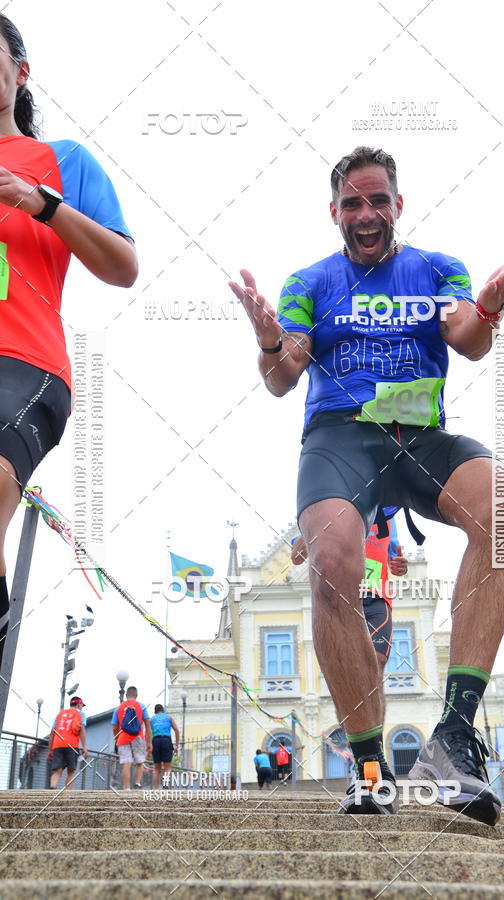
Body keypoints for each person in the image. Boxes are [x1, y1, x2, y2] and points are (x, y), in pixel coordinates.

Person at [229, 145, 504, 822]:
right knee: (335, 560)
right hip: (341, 439)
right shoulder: (309, 281)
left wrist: (485, 308)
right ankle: (369, 765)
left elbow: (466, 336)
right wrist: (267, 342)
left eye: (377, 200)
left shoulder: (435, 268)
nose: (365, 214)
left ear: (398, 204)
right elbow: (286, 374)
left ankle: (453, 737)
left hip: (418, 436)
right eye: (351, 203)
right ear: (334, 212)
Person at [0, 15, 137, 673]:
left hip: (24, 367)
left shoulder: (63, 162)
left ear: (20, 72)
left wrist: (40, 202)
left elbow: (123, 266)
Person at [292, 516, 408, 714]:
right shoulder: (331, 505)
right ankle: (357, 740)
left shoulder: (386, 514)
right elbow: (297, 557)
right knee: (347, 672)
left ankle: (376, 740)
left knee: (377, 663)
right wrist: (311, 528)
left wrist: (400, 566)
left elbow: (394, 561)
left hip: (377, 597)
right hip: (342, 598)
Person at [112, 686, 151, 790]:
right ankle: (137, 783)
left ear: (126, 695)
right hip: (138, 737)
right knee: (139, 762)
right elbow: (147, 725)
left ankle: (127, 788)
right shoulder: (141, 706)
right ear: (136, 695)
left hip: (123, 738)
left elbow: (114, 727)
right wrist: (149, 742)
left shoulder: (118, 708)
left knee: (126, 763)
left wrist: (116, 739)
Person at [48, 696, 88, 789]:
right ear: (79, 704)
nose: (82, 707)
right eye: (82, 705)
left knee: (57, 771)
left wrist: (50, 750)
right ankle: (67, 795)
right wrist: (84, 747)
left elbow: (52, 732)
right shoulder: (81, 714)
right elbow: (82, 729)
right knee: (71, 771)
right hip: (72, 745)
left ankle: (52, 788)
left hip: (57, 744)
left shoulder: (60, 714)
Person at [150, 704, 180, 789]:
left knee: (156, 769)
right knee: (167, 767)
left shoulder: (152, 719)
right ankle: (165, 784)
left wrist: (148, 747)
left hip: (155, 741)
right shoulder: (168, 717)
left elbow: (148, 733)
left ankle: (155, 789)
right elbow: (177, 730)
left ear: (155, 712)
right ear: (163, 710)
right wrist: (176, 746)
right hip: (166, 741)